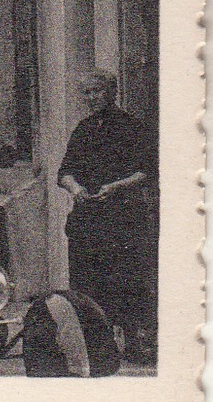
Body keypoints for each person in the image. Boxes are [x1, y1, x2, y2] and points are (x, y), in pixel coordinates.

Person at [58, 68, 158, 364]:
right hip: (88, 220)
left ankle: (135, 344)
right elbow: (65, 171)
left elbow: (148, 170)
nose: (91, 98)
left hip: (123, 220)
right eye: (86, 93)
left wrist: (116, 187)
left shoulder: (132, 127)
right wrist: (75, 188)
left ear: (111, 92)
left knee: (126, 281)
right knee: (88, 283)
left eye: (96, 91)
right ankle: (97, 347)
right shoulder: (83, 129)